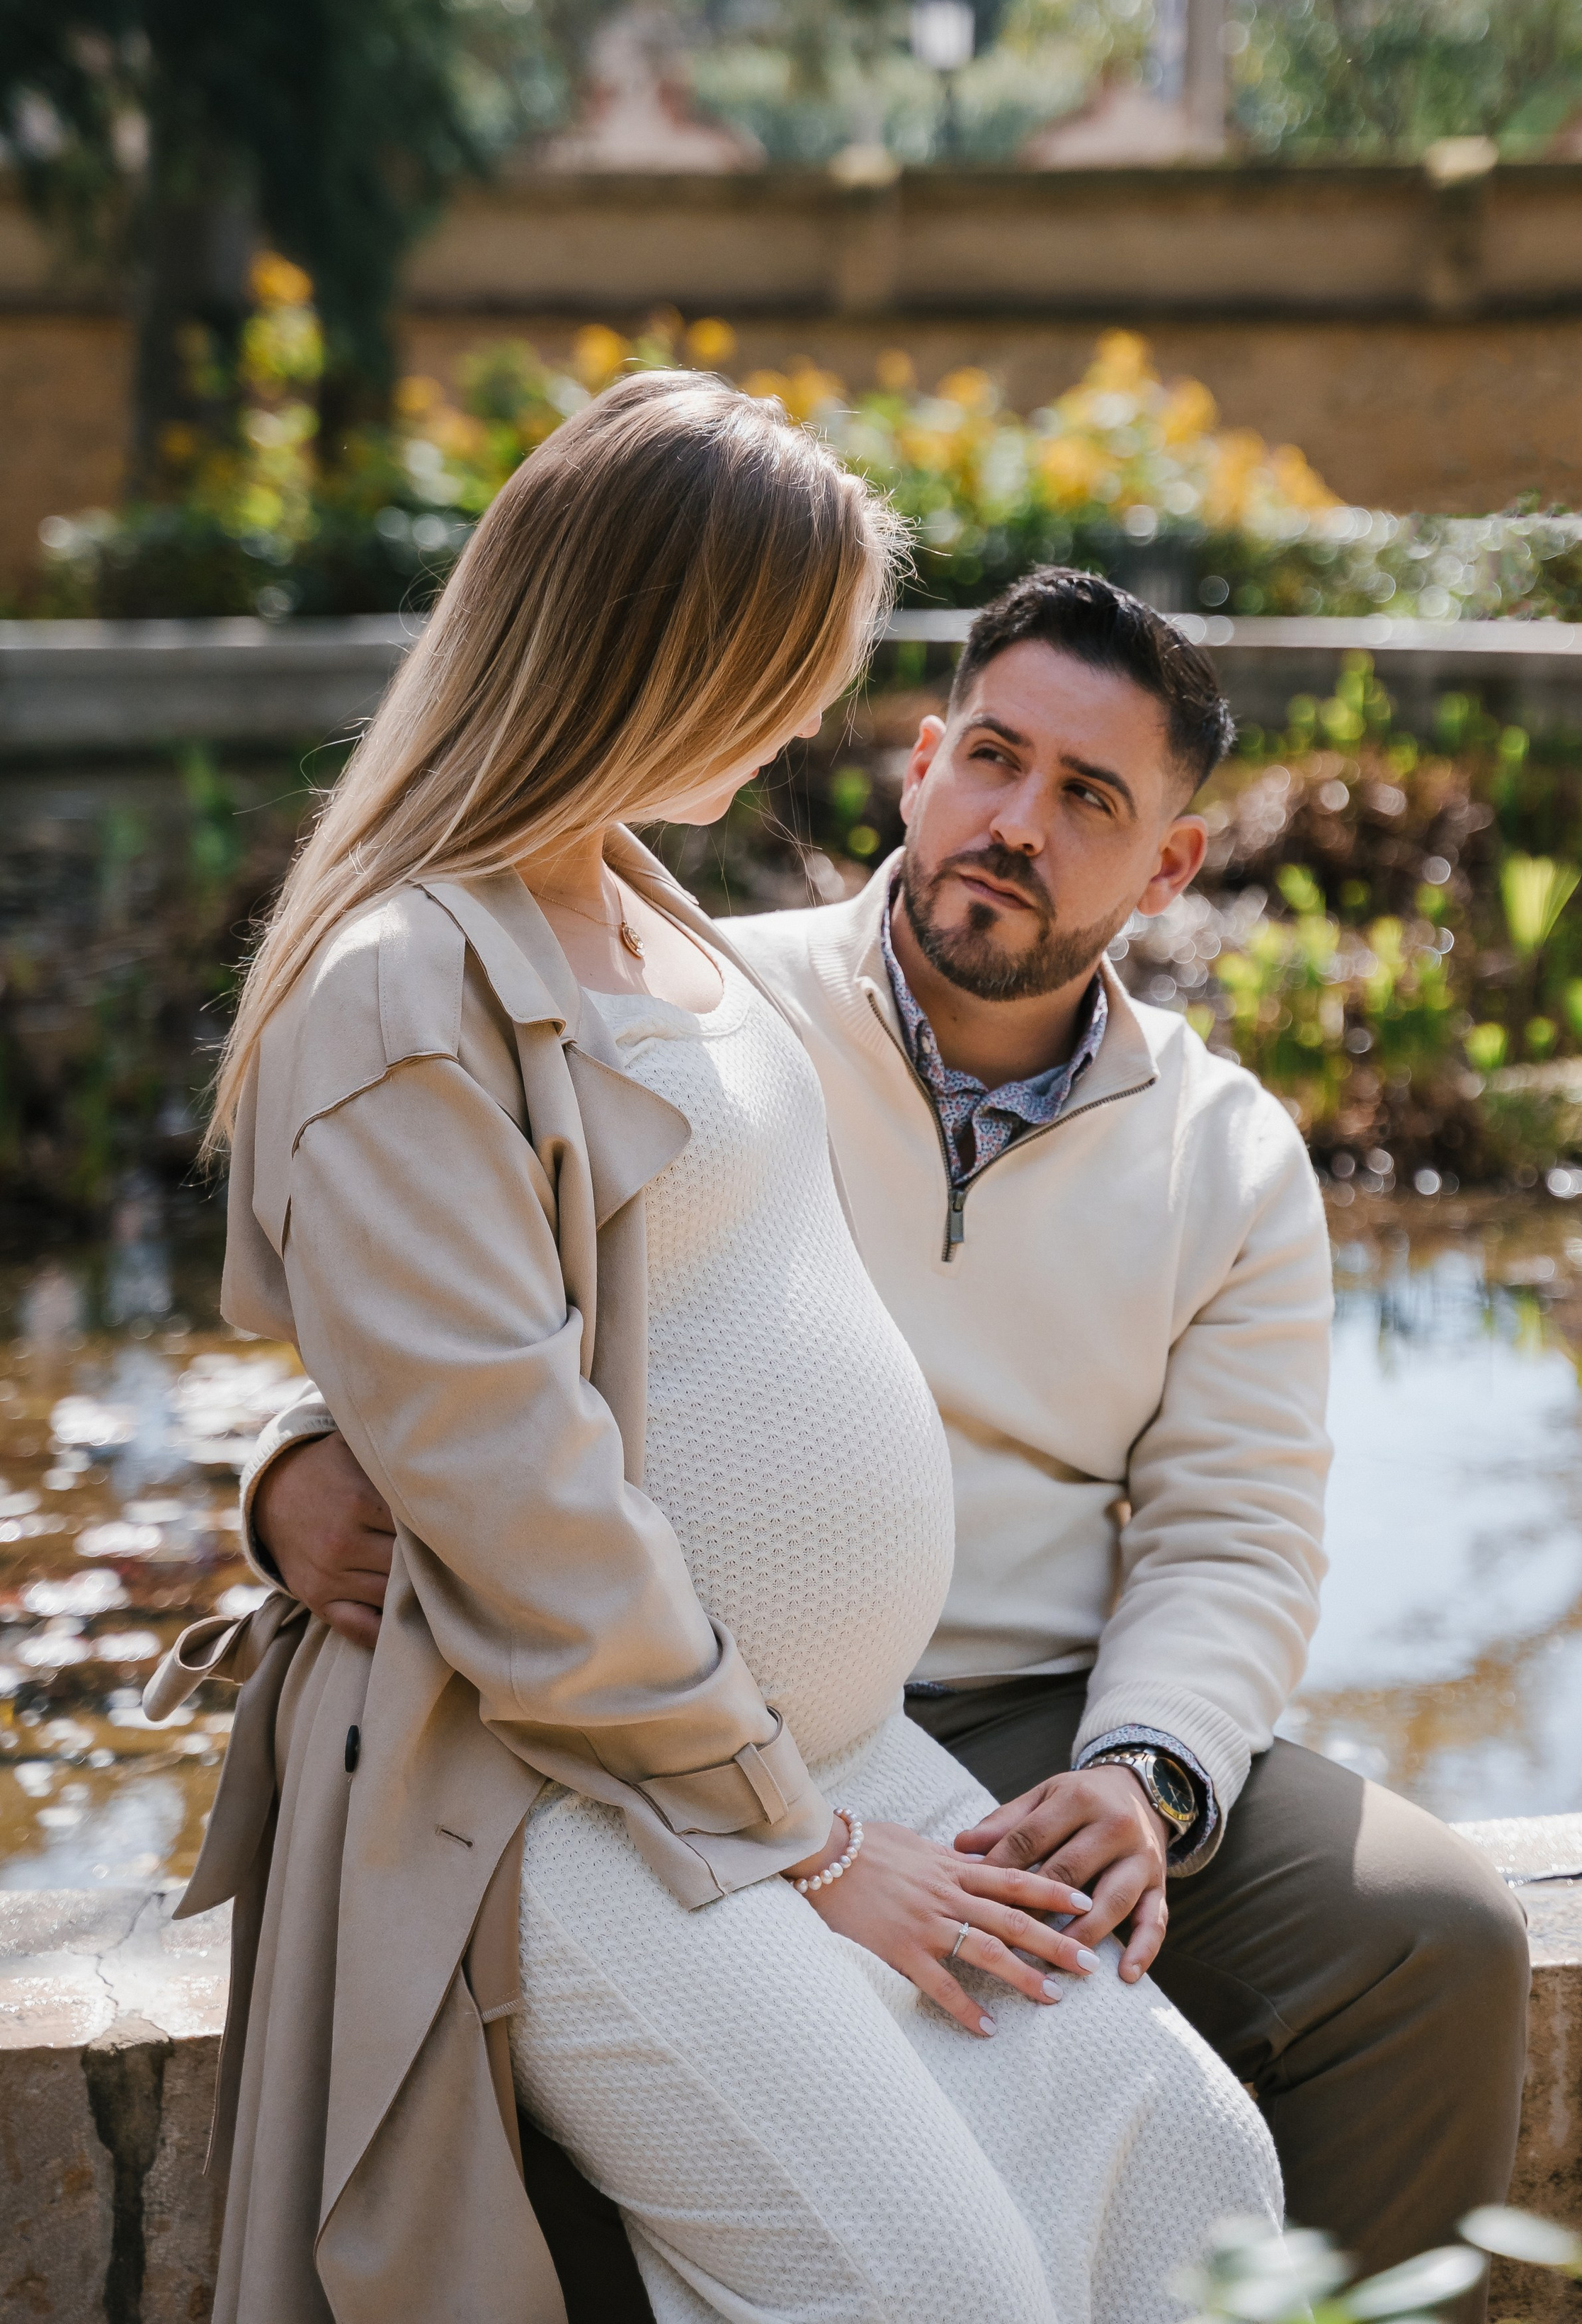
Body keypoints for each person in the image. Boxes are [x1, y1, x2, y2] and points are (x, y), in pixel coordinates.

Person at [261, 564, 1532, 2324]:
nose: (1016, 825)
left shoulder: (1228, 1154)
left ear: (1167, 867)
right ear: (922, 762)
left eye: (1088, 799)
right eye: (993, 760)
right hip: (685, 1698)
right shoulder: (701, 999)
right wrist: (283, 1469)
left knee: (1428, 1934)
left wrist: (1142, 1778)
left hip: (1033, 1722)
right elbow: (440, 1293)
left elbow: (1230, 1534)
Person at [149, 379, 1281, 2324]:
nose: (807, 726)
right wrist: (809, 1840)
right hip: (567, 1789)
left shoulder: (655, 909)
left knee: (1193, 2171)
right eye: (788, 669)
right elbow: (495, 1466)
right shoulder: (405, 985)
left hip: (836, 1754)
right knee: (934, 2290)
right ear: (663, 656)